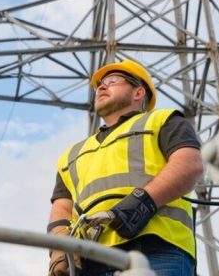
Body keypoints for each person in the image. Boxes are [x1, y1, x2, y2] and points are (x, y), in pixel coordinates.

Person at [47, 59, 204, 276]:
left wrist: (141, 203)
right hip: (91, 260)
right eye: (99, 85)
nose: (102, 87)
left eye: (112, 81)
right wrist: (59, 244)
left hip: (156, 248)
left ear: (138, 93)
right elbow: (62, 208)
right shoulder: (71, 155)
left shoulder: (162, 121)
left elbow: (189, 164)